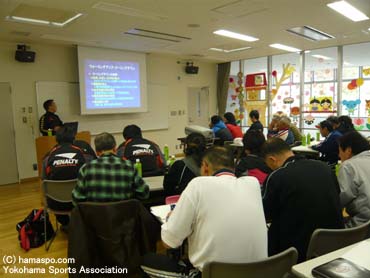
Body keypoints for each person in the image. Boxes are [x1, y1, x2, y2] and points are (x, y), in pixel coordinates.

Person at [144, 147, 267, 275]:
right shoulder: (253, 184)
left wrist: (172, 218)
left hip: (213, 274)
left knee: (147, 260)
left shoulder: (198, 184)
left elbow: (169, 242)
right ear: (234, 166)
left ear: (205, 166)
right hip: (258, 272)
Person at [262, 138, 343, 262]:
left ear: (272, 159)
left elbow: (266, 214)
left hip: (296, 251)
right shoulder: (324, 167)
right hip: (334, 243)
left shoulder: (278, 175)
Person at [72, 132, 149, 204]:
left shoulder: (85, 169)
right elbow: (144, 193)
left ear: (97, 152)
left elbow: (77, 198)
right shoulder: (129, 166)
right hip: (124, 216)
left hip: (95, 217)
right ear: (115, 148)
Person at [42, 125, 86, 226]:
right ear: (73, 138)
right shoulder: (82, 154)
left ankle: (65, 224)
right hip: (79, 202)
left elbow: (44, 179)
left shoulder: (48, 157)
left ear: (57, 139)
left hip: (55, 203)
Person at [338, 131, 370, 228]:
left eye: (339, 151)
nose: (339, 155)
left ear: (348, 150)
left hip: (363, 226)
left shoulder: (349, 166)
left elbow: (341, 199)